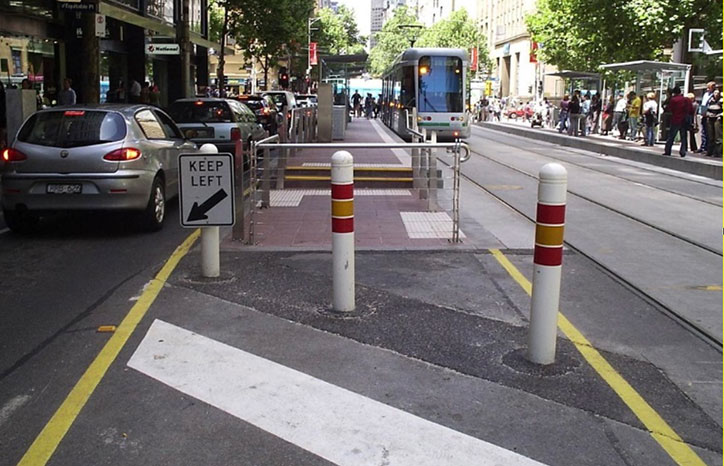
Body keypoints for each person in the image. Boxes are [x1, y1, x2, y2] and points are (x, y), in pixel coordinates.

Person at [662, 86, 693, 157]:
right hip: (684, 120)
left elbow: (670, 109)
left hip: (676, 119)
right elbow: (691, 110)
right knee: (683, 136)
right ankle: (683, 151)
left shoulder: (673, 100)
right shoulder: (687, 100)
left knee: (671, 136)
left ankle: (668, 150)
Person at [697, 81, 716, 153]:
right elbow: (703, 104)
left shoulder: (713, 95)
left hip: (709, 115)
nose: (708, 89)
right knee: (703, 131)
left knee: (709, 133)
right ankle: (703, 146)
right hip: (703, 114)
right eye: (707, 87)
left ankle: (708, 148)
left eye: (709, 88)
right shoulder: (705, 94)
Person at [704, 88, 722, 157]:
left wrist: (719, 116)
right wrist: (708, 114)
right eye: (715, 93)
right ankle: (710, 151)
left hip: (718, 119)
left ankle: (718, 152)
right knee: (710, 136)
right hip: (710, 118)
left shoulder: (721, 100)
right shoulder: (710, 100)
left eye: (717, 93)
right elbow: (706, 108)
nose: (716, 94)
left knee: (718, 137)